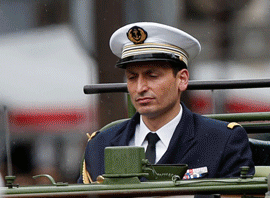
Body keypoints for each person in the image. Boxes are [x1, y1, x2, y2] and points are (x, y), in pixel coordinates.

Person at [82, 22, 253, 182]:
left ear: (182, 79)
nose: (140, 87)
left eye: (152, 75)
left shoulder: (221, 141)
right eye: (132, 77)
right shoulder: (100, 145)